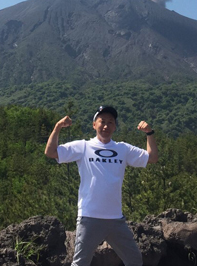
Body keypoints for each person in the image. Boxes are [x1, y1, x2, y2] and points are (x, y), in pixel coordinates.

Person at [44, 105, 158, 266]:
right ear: (94, 125)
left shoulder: (122, 149)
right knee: (80, 263)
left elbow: (152, 158)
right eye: (102, 121)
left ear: (115, 127)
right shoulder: (83, 147)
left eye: (110, 122)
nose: (106, 126)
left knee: (134, 260)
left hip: (116, 219)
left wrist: (149, 133)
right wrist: (57, 127)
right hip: (90, 217)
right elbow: (50, 152)